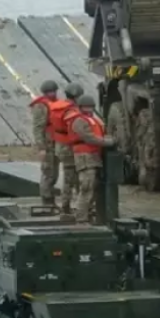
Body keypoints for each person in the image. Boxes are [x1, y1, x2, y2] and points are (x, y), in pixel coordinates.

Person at [69, 94, 115, 224]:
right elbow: (89, 138)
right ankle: (81, 218)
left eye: (90, 107)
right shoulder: (79, 121)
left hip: (93, 156)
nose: (88, 109)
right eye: (85, 107)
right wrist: (108, 142)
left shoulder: (94, 120)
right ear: (80, 108)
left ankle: (85, 214)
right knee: (86, 187)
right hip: (85, 157)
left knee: (92, 188)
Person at [28, 80, 63, 208]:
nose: (52, 94)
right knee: (48, 173)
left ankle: (50, 200)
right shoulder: (40, 106)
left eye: (53, 91)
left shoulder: (56, 104)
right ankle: (47, 201)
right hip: (47, 144)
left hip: (56, 143)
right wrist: (41, 148)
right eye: (49, 92)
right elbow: (38, 128)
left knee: (55, 173)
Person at [51, 82, 84, 213]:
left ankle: (72, 204)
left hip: (60, 145)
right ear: (76, 96)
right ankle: (66, 206)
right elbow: (75, 130)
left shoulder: (57, 107)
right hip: (69, 147)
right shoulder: (71, 111)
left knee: (70, 176)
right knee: (70, 178)